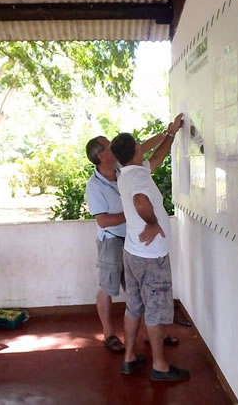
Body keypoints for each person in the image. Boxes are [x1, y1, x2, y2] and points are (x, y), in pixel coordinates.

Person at [110, 113, 189, 382]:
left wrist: (171, 134)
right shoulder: (139, 180)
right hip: (151, 256)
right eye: (138, 146)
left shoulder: (129, 172)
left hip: (132, 253)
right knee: (154, 311)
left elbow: (157, 158)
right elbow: (141, 201)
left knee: (134, 306)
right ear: (135, 150)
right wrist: (153, 222)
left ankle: (130, 358)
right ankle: (160, 367)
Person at [85, 132, 166, 353]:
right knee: (107, 288)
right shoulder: (94, 186)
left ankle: (150, 333)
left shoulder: (122, 167)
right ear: (102, 155)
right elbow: (103, 221)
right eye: (109, 146)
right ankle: (108, 334)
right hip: (111, 240)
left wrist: (167, 133)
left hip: (132, 239)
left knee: (138, 289)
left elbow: (140, 149)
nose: (114, 147)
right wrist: (131, 214)